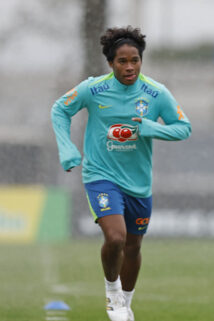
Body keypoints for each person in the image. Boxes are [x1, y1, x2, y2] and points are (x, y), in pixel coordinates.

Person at [51, 26, 191, 321]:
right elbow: (59, 110)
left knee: (133, 245)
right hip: (100, 175)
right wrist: (66, 148)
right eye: (122, 62)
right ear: (110, 63)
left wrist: (152, 128)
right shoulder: (93, 89)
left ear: (141, 60)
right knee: (116, 238)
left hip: (138, 184)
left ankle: (125, 302)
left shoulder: (155, 92)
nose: (129, 67)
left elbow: (183, 128)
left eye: (135, 60)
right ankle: (112, 293)